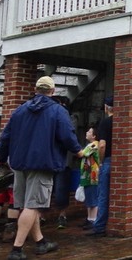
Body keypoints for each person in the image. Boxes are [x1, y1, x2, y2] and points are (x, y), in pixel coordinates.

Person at [0, 76, 83, 260]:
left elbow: (5, 137)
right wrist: (78, 151)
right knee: (33, 205)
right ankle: (16, 250)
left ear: (35, 89)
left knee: (28, 205)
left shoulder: (19, 110)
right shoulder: (58, 111)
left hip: (19, 164)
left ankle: (41, 242)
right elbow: (67, 135)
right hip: (42, 164)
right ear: (52, 91)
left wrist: (1, 159)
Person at [87, 96, 114, 237]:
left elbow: (102, 145)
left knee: (102, 195)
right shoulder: (122, 122)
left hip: (108, 160)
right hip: (120, 161)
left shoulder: (105, 122)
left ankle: (99, 227)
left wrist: (101, 161)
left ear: (106, 107)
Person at [50, 95, 76, 230]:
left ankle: (62, 215)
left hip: (64, 161)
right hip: (48, 160)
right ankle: (40, 215)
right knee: (46, 190)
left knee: (61, 189)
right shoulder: (49, 118)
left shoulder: (69, 118)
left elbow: (69, 136)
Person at [79, 124, 100, 230]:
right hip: (87, 176)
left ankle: (93, 220)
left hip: (92, 176)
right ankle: (89, 218)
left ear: (94, 136)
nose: (87, 133)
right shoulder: (90, 145)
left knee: (93, 198)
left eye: (89, 132)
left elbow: (81, 154)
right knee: (89, 198)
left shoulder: (94, 145)